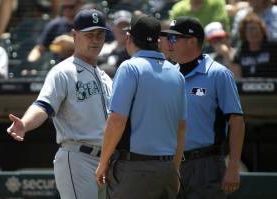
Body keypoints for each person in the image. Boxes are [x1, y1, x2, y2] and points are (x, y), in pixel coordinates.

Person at [7, 9, 112, 199]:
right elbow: (43, 105)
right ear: (74, 36)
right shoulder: (63, 71)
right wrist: (25, 123)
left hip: (107, 161)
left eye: (100, 34)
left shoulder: (105, 76)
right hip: (79, 157)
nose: (95, 40)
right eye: (89, 35)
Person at [96, 14, 187, 199]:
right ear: (158, 41)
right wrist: (175, 170)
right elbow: (182, 127)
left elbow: (117, 120)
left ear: (129, 38)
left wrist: (103, 161)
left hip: (134, 170)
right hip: (167, 169)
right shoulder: (177, 74)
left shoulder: (130, 68)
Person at [161, 16, 245, 198]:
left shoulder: (218, 74)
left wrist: (233, 166)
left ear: (192, 42)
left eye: (175, 38)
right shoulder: (168, 74)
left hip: (206, 164)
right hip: (171, 165)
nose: (169, 42)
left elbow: (236, 121)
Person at [233, 13, 277, 78]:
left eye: (257, 29)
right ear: (244, 33)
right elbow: (237, 79)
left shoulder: (273, 49)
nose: (254, 33)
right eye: (250, 29)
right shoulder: (240, 52)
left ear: (262, 32)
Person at [98, 9, 132, 78]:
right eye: (120, 26)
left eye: (125, 26)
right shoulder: (105, 48)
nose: (122, 29)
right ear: (113, 28)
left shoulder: (134, 52)